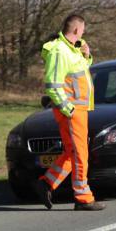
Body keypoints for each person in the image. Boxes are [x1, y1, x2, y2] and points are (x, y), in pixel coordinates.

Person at [33, 14, 105, 211]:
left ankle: (46, 183)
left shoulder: (71, 50)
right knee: (80, 153)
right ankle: (83, 197)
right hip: (72, 110)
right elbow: (53, 85)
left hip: (77, 110)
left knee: (72, 152)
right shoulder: (60, 51)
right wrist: (68, 109)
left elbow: (77, 74)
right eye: (82, 30)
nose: (83, 33)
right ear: (76, 30)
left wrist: (87, 56)